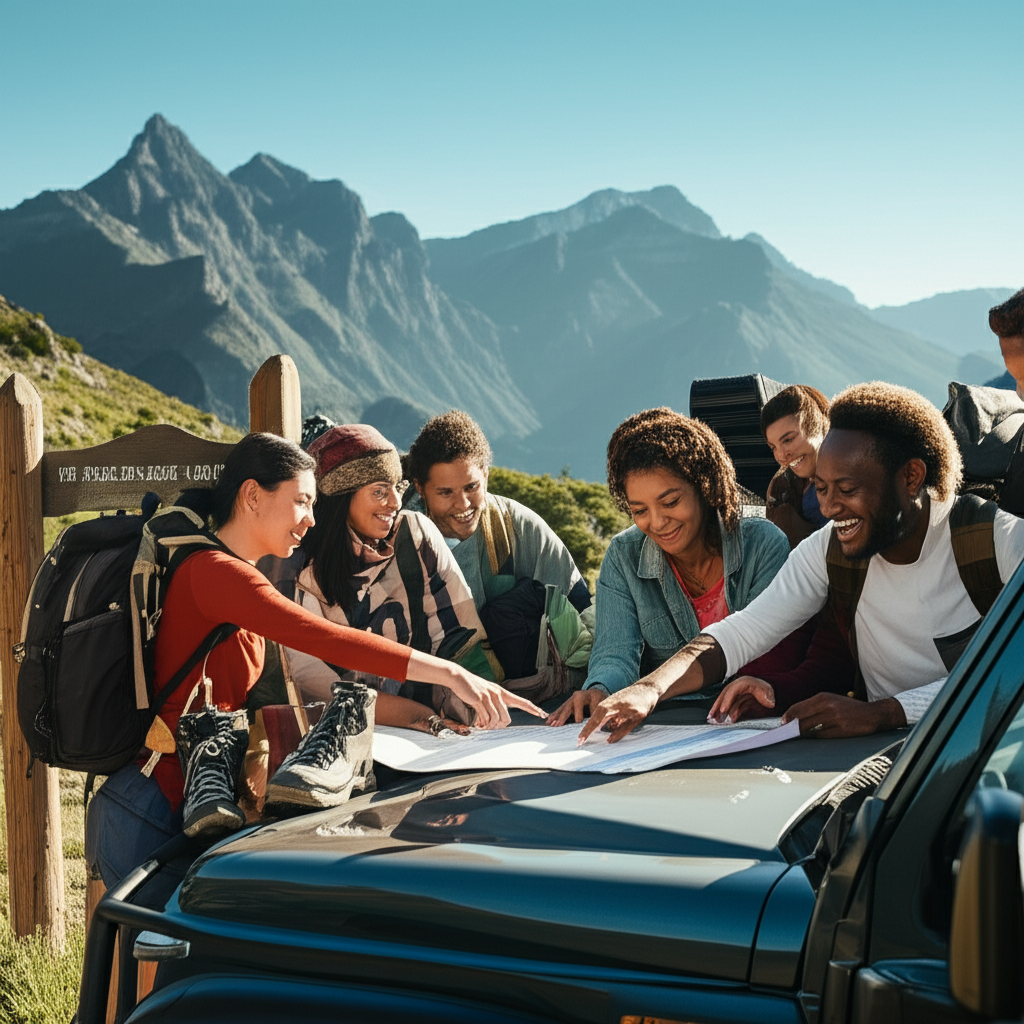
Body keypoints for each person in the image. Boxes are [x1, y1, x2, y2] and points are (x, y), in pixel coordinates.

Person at [85, 432, 542, 892]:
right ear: (252, 496)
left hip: (191, 801)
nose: (311, 518)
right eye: (302, 502)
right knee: (154, 940)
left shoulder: (233, 571)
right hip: (151, 806)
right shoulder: (216, 574)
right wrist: (450, 673)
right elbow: (326, 640)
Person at [574, 384, 1024, 745]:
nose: (829, 509)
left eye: (847, 489)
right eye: (822, 489)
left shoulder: (999, 540)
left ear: (911, 477)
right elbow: (745, 630)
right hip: (881, 754)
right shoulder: (829, 549)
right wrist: (650, 689)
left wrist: (884, 712)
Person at [547, 408, 854, 725]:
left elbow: (765, 652)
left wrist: (652, 688)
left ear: (705, 487)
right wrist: (600, 689)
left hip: (741, 717)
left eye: (670, 502)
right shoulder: (623, 556)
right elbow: (615, 653)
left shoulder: (762, 544)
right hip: (665, 719)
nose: (657, 522)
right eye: (639, 510)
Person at [284, 424, 502, 727]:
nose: (396, 503)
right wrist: (421, 717)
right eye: (379, 491)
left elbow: (461, 640)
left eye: (397, 487)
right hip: (342, 732)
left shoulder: (414, 536)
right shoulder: (296, 570)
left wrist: (477, 714)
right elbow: (314, 684)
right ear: (341, 497)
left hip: (436, 733)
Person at [405, 410, 594, 685]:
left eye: (471, 487)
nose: (463, 504)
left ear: (485, 475)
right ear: (420, 488)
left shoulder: (517, 527)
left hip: (526, 697)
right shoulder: (398, 543)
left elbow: (581, 611)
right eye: (446, 492)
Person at [762, 384, 831, 548]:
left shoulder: (854, 470)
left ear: (817, 425)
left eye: (788, 440)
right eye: (773, 447)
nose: (781, 455)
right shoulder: (784, 487)